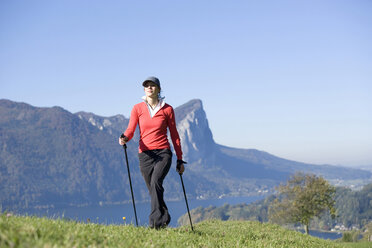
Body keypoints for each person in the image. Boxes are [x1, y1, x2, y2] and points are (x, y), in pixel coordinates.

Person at [119, 76, 186, 229]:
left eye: (152, 85)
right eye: (146, 86)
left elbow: (174, 135)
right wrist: (125, 138)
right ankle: (164, 216)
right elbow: (131, 129)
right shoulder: (137, 108)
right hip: (145, 154)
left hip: (163, 153)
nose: (149, 88)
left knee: (156, 182)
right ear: (144, 89)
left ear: (159, 89)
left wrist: (180, 159)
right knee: (153, 189)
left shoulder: (167, 109)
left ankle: (155, 224)